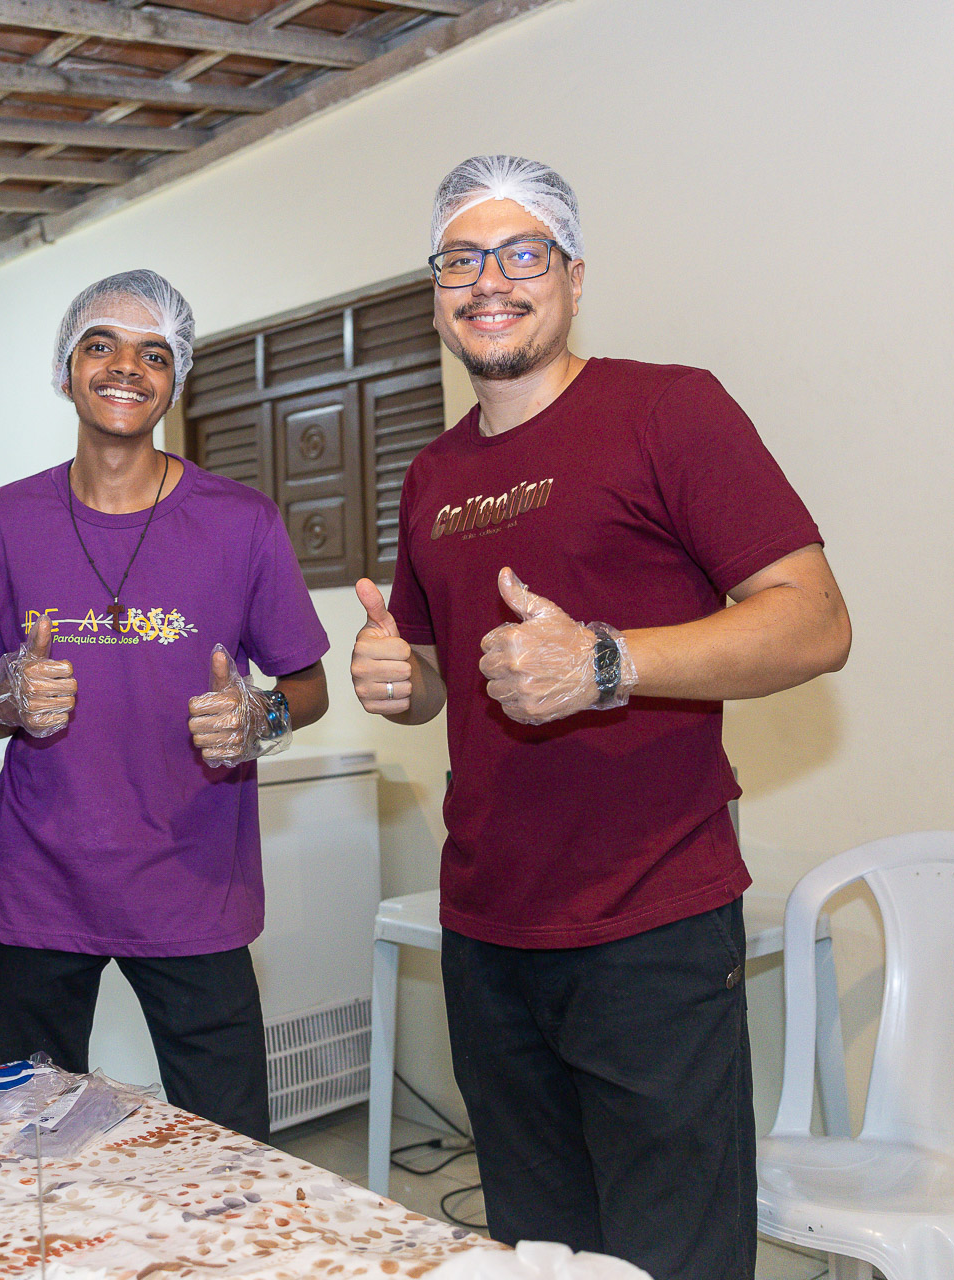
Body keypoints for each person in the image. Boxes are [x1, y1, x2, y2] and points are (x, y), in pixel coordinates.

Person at [349, 155, 852, 1280]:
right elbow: (435, 676)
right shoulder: (431, 475)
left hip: (648, 922)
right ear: (435, 290)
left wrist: (608, 662)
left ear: (574, 276)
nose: (489, 281)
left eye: (522, 253)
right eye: (460, 260)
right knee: (541, 1254)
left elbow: (816, 621)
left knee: (674, 1257)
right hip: (486, 928)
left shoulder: (668, 408)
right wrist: (395, 674)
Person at [0, 270, 330, 1142]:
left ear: (176, 379)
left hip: (194, 884)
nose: (127, 367)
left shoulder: (242, 522)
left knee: (230, 1146)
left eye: (154, 353)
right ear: (65, 370)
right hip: (40, 886)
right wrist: (8, 697)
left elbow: (306, 686)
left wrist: (261, 718)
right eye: (101, 345)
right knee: (39, 1140)